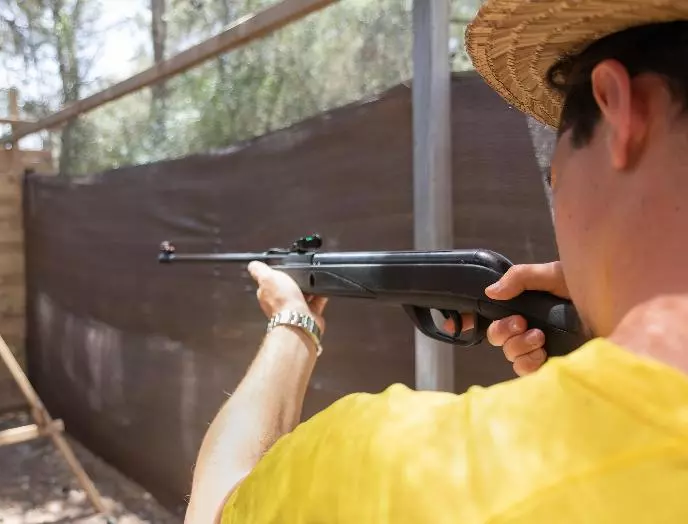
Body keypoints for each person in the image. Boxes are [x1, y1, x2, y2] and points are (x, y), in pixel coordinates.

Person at [186, 1, 688, 522]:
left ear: (618, 108)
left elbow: (212, 507)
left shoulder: (391, 463)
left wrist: (294, 324)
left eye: (554, 178)